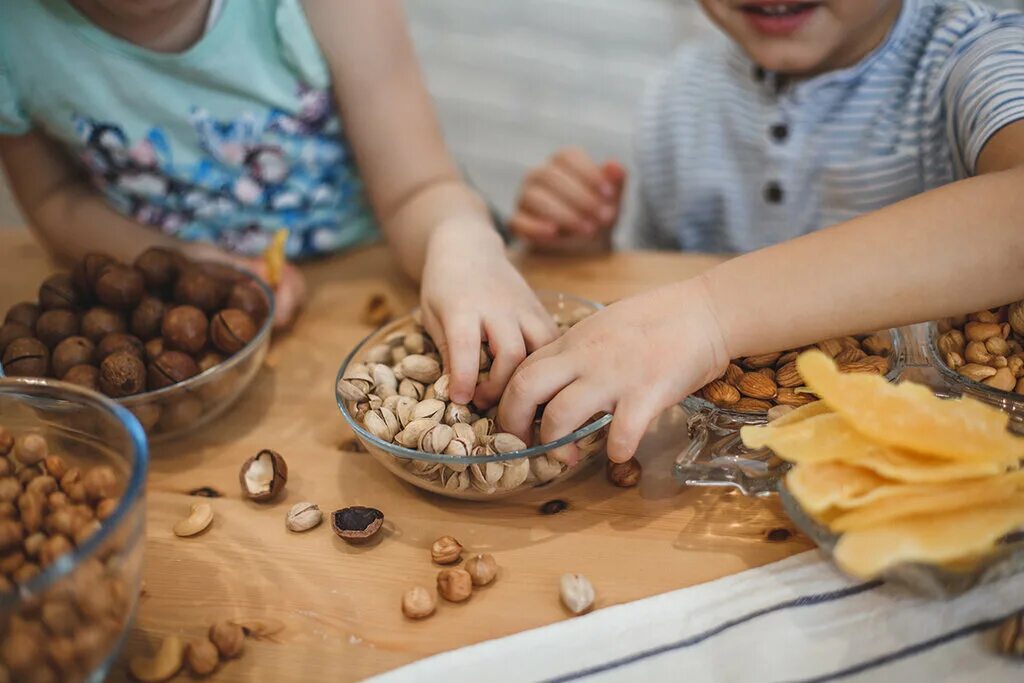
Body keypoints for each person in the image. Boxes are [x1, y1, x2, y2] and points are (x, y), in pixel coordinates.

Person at [499, 0, 1024, 463]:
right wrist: (589, 249)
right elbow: (661, 304)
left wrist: (712, 313)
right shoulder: (681, 91)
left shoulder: (977, 57)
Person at [0, 0, 556, 407]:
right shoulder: (13, 36)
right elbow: (56, 202)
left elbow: (422, 190)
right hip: (210, 339)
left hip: (383, 279)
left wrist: (464, 245)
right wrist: (184, 260)